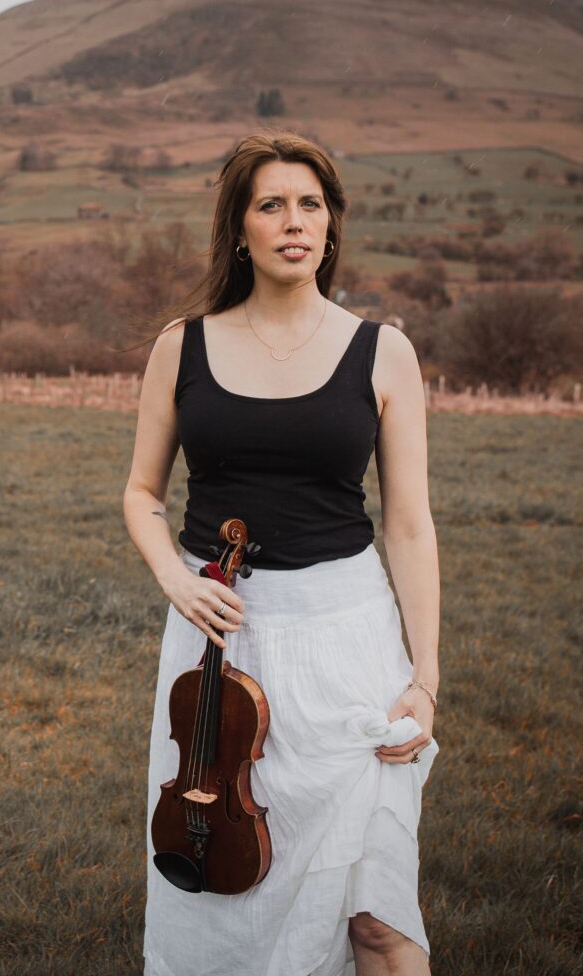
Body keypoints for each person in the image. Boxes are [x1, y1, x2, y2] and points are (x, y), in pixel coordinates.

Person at [123, 131, 440, 976]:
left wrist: (426, 678)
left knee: (376, 916)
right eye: (272, 205)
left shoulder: (385, 352)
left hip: (347, 641)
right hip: (218, 651)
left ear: (332, 226)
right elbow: (142, 496)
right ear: (241, 230)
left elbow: (408, 524)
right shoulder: (180, 346)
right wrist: (175, 580)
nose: (294, 222)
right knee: (228, 908)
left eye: (312, 205)